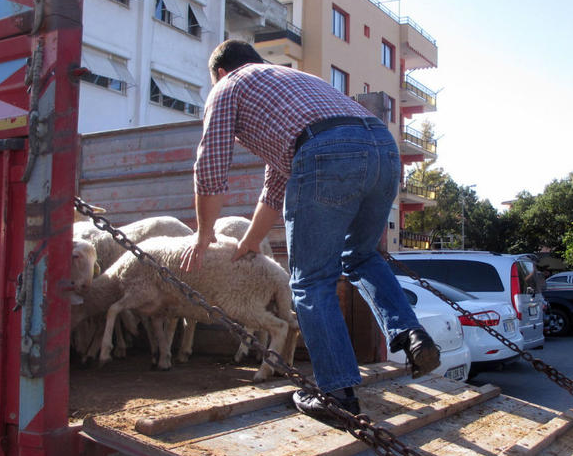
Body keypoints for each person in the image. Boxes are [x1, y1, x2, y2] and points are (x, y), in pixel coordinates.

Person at [179, 40, 440, 425]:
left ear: (220, 72)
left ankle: (337, 395)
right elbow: (276, 186)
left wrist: (203, 236)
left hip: (326, 150)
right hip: (384, 148)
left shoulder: (229, 84)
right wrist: (250, 243)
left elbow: (211, 165)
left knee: (311, 281)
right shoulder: (291, 84)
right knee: (361, 256)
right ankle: (412, 335)